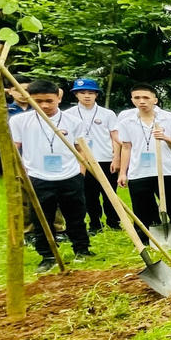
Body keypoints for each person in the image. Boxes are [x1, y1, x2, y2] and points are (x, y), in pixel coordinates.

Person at [10, 79, 93, 271]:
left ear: (58, 97)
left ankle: (82, 249)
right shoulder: (19, 121)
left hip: (70, 175)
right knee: (41, 218)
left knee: (76, 215)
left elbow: (81, 148)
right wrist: (21, 173)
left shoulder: (73, 122)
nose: (44, 105)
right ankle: (47, 256)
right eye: (38, 101)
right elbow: (15, 149)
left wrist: (81, 171)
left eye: (49, 100)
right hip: (38, 177)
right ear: (30, 99)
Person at [118, 83, 171, 240]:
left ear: (154, 99)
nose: (142, 101)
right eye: (137, 98)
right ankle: (146, 236)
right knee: (141, 207)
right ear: (132, 100)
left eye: (146, 97)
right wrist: (123, 172)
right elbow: (126, 147)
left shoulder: (167, 118)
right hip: (138, 171)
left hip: (165, 169)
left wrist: (165, 137)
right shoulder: (126, 120)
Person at [68, 76, 120, 234]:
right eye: (82, 92)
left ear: (97, 94)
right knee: (89, 195)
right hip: (83, 161)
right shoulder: (69, 114)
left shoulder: (107, 114)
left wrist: (116, 157)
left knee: (110, 193)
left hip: (105, 159)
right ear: (76, 94)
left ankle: (114, 222)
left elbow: (115, 137)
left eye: (91, 92)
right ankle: (95, 223)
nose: (87, 96)